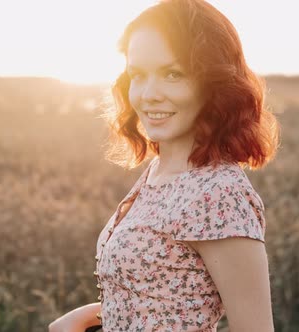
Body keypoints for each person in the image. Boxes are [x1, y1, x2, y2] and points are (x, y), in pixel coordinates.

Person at [49, 0, 279, 331]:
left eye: (173, 74)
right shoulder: (161, 172)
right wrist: (90, 316)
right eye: (138, 75)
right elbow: (161, 297)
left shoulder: (218, 194)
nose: (148, 94)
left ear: (213, 83)